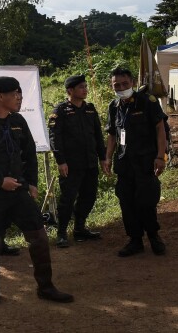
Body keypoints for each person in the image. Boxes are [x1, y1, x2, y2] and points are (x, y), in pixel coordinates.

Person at [0, 77, 73, 306]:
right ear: (0, 96)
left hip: (18, 192)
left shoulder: (18, 121)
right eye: (15, 93)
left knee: (39, 238)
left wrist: (32, 183)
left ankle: (46, 287)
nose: (18, 97)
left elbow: (29, 153)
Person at [105, 68, 167, 257]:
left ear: (131, 82)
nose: (121, 88)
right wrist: (107, 157)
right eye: (117, 85)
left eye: (124, 84)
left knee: (146, 201)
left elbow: (160, 129)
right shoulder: (114, 106)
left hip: (146, 161)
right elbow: (112, 135)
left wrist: (160, 156)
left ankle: (154, 236)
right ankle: (135, 240)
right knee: (127, 203)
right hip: (124, 164)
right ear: (112, 86)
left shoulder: (147, 102)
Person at [48, 75, 107, 248]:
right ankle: (61, 234)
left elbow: (97, 134)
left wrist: (103, 158)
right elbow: (55, 138)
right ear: (70, 91)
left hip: (90, 162)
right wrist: (61, 161)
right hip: (71, 165)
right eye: (81, 87)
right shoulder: (60, 111)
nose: (85, 89)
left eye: (85, 86)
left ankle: (80, 229)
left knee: (89, 197)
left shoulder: (90, 109)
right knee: (68, 199)